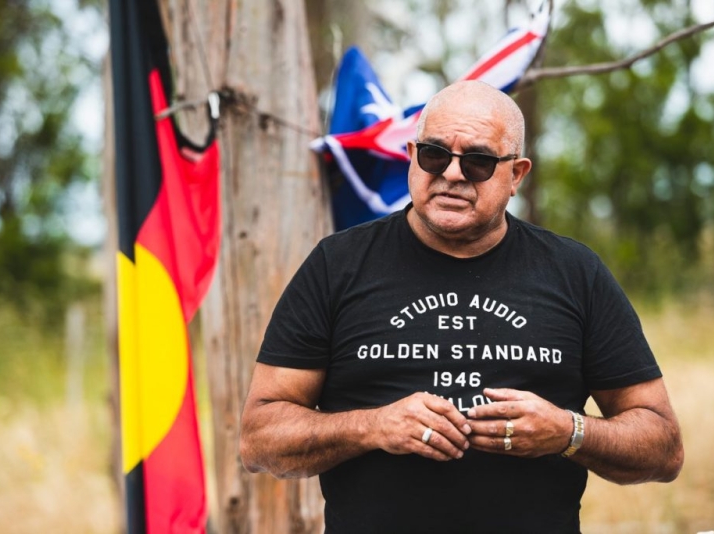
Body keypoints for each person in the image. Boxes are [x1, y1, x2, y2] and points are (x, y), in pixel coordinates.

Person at [239, 80, 684, 533]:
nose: (452, 174)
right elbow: (259, 440)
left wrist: (567, 433)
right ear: (411, 155)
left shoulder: (574, 272)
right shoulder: (337, 266)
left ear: (516, 175)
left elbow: (663, 448)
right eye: (434, 154)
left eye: (478, 161)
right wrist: (372, 426)